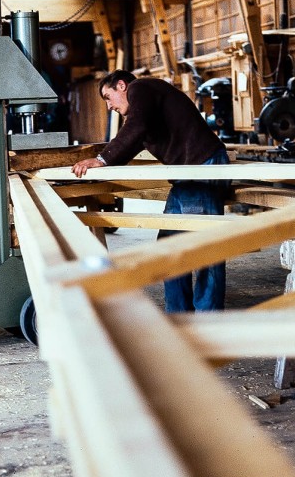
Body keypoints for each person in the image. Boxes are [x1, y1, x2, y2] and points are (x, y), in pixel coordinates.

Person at [72, 69, 229, 312]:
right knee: (168, 246)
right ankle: (178, 315)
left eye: (107, 97)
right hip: (185, 174)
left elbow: (137, 127)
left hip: (201, 167)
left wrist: (102, 160)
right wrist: (104, 161)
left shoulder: (141, 88)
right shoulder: (144, 110)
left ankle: (208, 319)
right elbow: (134, 137)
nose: (108, 106)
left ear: (122, 86)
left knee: (203, 246)